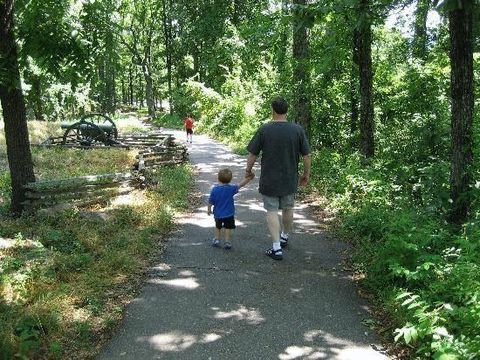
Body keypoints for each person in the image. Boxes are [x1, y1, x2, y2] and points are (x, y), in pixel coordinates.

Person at [245, 97, 311, 260]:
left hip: (270, 179)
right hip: (289, 178)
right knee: (288, 208)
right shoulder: (297, 130)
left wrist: (248, 170)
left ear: (273, 110)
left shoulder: (265, 129)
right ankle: (284, 237)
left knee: (272, 211)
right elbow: (307, 155)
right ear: (286, 110)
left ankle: (276, 248)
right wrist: (306, 174)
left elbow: (253, 153)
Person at [208, 168, 254, 250]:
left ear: (218, 178)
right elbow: (241, 185)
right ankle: (227, 242)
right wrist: (249, 178)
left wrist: (209, 209)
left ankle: (216, 239)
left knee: (218, 227)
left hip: (218, 214)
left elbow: (210, 201)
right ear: (230, 179)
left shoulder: (215, 190)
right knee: (228, 228)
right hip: (229, 214)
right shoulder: (231, 188)